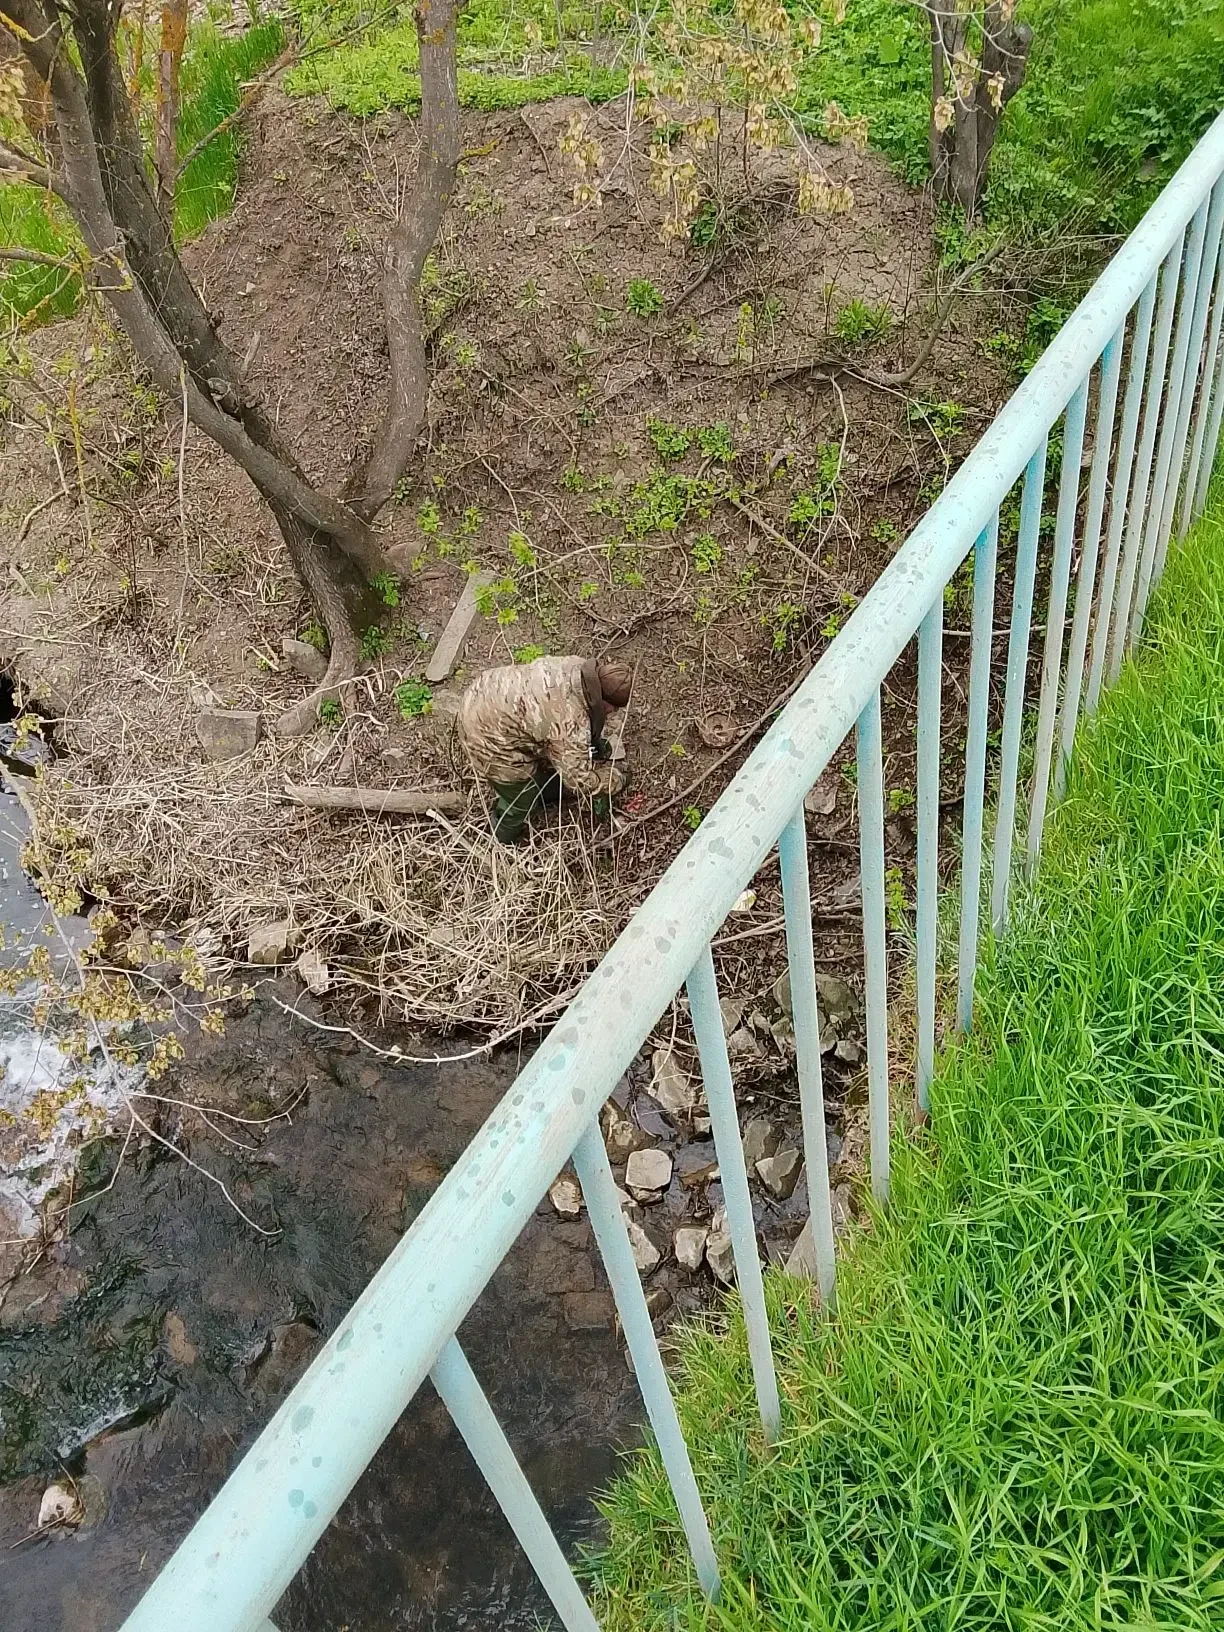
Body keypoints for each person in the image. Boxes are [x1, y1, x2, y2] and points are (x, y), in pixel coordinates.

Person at [457, 655, 632, 841]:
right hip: (485, 737)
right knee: (521, 796)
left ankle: (544, 788)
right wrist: (614, 780)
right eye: (612, 709)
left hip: (482, 693)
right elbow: (580, 781)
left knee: (545, 764)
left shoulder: (573, 665)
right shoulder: (569, 723)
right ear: (602, 701)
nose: (613, 713)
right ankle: (501, 838)